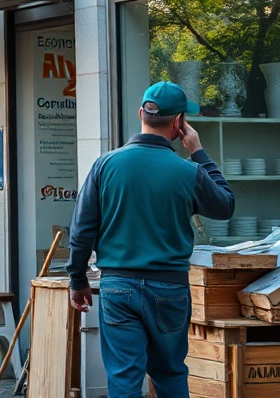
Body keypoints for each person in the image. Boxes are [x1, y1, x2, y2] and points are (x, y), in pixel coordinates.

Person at [67, 81, 235, 398]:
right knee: (170, 374)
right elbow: (225, 205)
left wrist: (77, 279)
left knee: (124, 378)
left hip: (118, 286)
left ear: (139, 114)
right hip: (168, 288)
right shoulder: (188, 171)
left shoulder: (105, 165)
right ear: (179, 123)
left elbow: (82, 229)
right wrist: (198, 152)